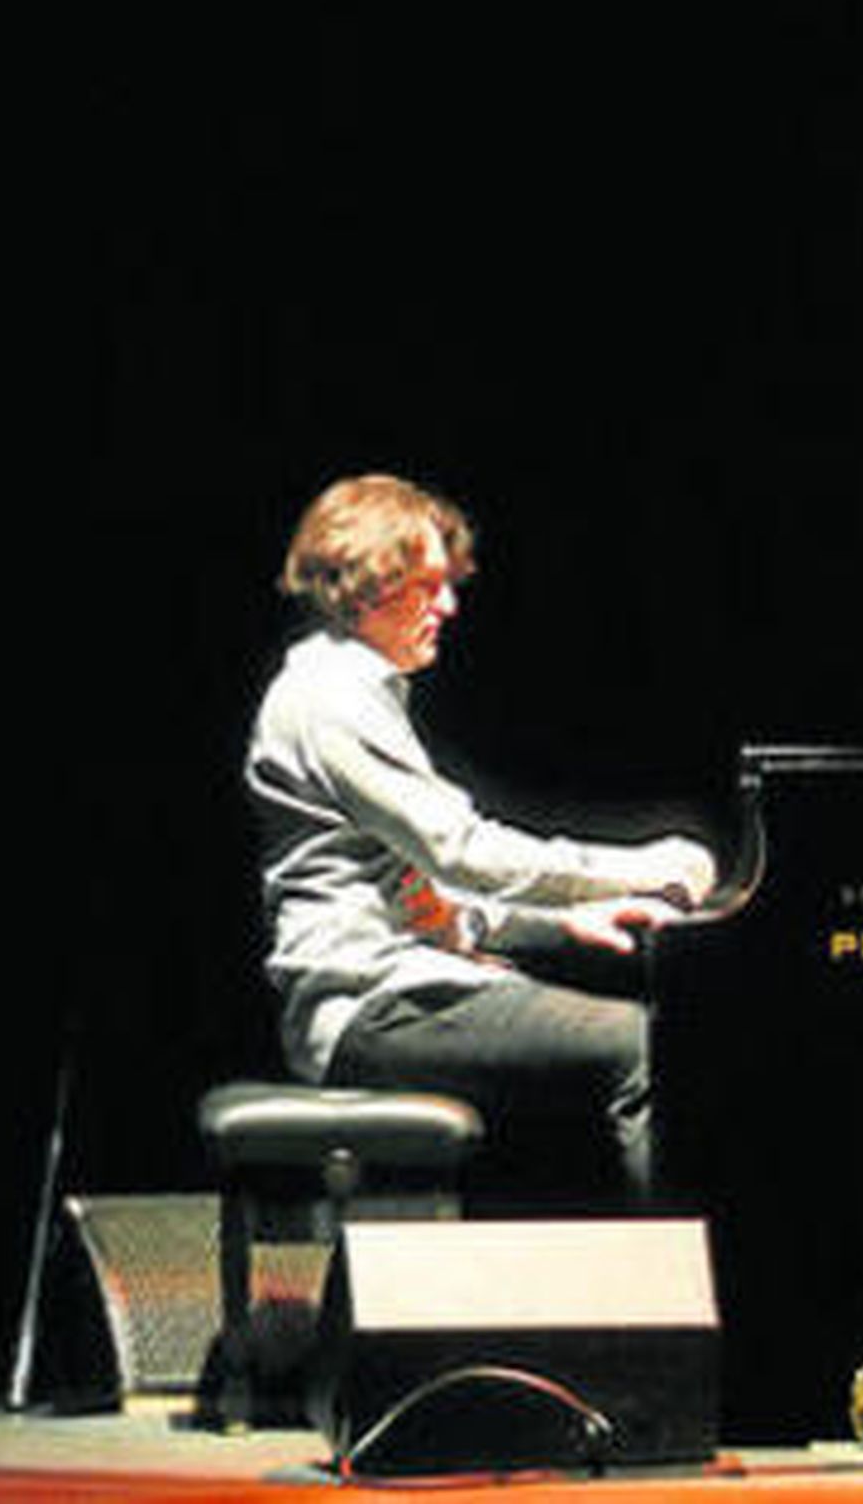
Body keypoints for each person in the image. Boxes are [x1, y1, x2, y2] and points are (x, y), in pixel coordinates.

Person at [245, 470, 717, 1209]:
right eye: (427, 585)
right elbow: (461, 850)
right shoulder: (328, 697)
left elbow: (425, 895)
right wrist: (636, 869)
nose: (449, 605)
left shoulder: (352, 692)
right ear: (366, 580)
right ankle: (693, 1302)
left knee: (628, 1043)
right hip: (373, 1006)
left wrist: (559, 923)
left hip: (402, 989)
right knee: (651, 1051)